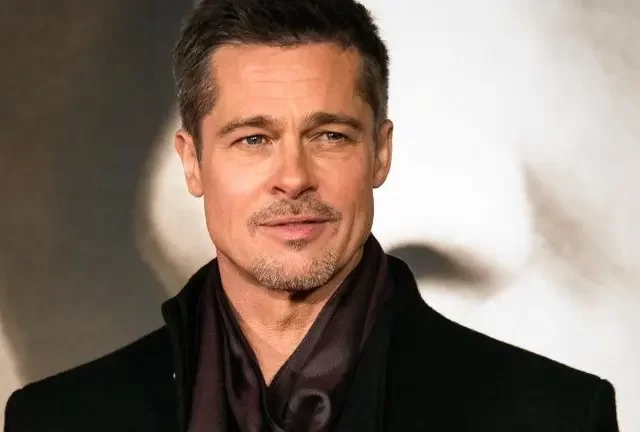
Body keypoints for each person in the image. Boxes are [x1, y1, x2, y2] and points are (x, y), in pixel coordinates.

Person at [4, 0, 620, 430]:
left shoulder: (563, 416)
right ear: (190, 164)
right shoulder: (54, 420)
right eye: (252, 138)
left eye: (330, 136)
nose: (294, 178)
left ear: (381, 154)